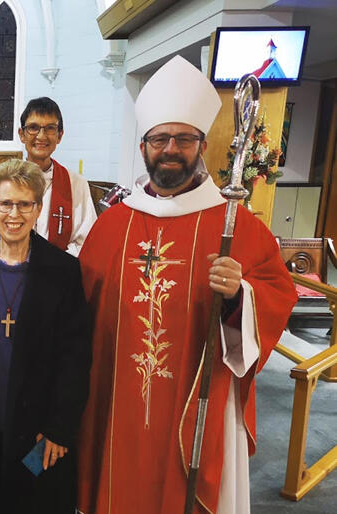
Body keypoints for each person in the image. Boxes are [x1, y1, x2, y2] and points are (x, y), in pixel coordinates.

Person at [75, 55, 297, 514]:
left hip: (197, 402)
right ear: (143, 148)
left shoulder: (236, 225)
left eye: (183, 138)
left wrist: (241, 295)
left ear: (201, 144)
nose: (170, 148)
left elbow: (276, 295)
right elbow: (79, 308)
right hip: (117, 403)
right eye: (160, 138)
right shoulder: (113, 223)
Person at [0, 159, 92, 513]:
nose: (14, 214)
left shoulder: (63, 271)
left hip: (39, 429)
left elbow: (75, 356)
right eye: (5, 204)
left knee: (32, 499)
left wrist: (60, 427)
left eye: (24, 204)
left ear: (38, 209)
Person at [0, 97, 96, 256]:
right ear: (21, 134)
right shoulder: (3, 181)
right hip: (8, 270)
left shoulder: (76, 184)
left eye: (50, 128)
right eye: (33, 127)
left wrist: (49, 262)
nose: (41, 136)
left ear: (60, 135)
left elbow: (86, 242)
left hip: (56, 274)